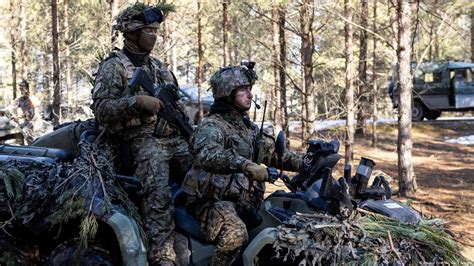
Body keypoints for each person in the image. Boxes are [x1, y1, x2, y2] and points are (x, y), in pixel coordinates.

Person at [91, 3, 193, 265]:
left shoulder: (160, 67)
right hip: (142, 141)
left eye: (156, 30)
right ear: (133, 32)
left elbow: (177, 105)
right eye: (148, 30)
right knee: (158, 196)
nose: (154, 36)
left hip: (173, 137)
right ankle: (162, 255)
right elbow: (102, 109)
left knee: (206, 169)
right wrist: (135, 103)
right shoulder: (114, 66)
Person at [182, 63, 304, 265]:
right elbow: (208, 155)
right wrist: (246, 165)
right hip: (213, 202)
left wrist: (309, 161)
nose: (250, 95)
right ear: (228, 94)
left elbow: (273, 154)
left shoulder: (248, 128)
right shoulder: (213, 126)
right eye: (243, 90)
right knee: (235, 234)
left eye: (250, 90)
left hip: (245, 202)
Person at [16, 79, 35, 144]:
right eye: (20, 88)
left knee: (25, 131)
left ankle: (32, 148)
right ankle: (22, 149)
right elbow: (13, 108)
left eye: (23, 87)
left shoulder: (32, 98)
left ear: (27, 88)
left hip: (35, 121)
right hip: (26, 121)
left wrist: (26, 115)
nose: (21, 89)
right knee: (17, 131)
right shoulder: (20, 100)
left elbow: (33, 113)